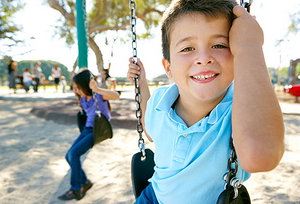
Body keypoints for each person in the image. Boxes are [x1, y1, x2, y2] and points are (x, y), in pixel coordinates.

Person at [127, 0, 285, 203]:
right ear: (168, 67)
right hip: (153, 198)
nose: (203, 58)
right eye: (187, 48)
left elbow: (262, 156)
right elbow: (150, 130)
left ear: (238, 56)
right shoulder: (160, 100)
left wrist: (250, 48)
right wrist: (141, 83)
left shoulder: (242, 110)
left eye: (219, 45)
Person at [58, 69, 120, 201]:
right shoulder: (82, 98)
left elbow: (116, 96)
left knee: (74, 154)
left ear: (85, 85)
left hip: (97, 131)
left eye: (77, 87)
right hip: (87, 129)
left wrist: (97, 88)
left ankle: (76, 189)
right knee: (69, 156)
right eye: (74, 87)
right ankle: (85, 182)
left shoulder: (98, 96)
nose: (75, 90)